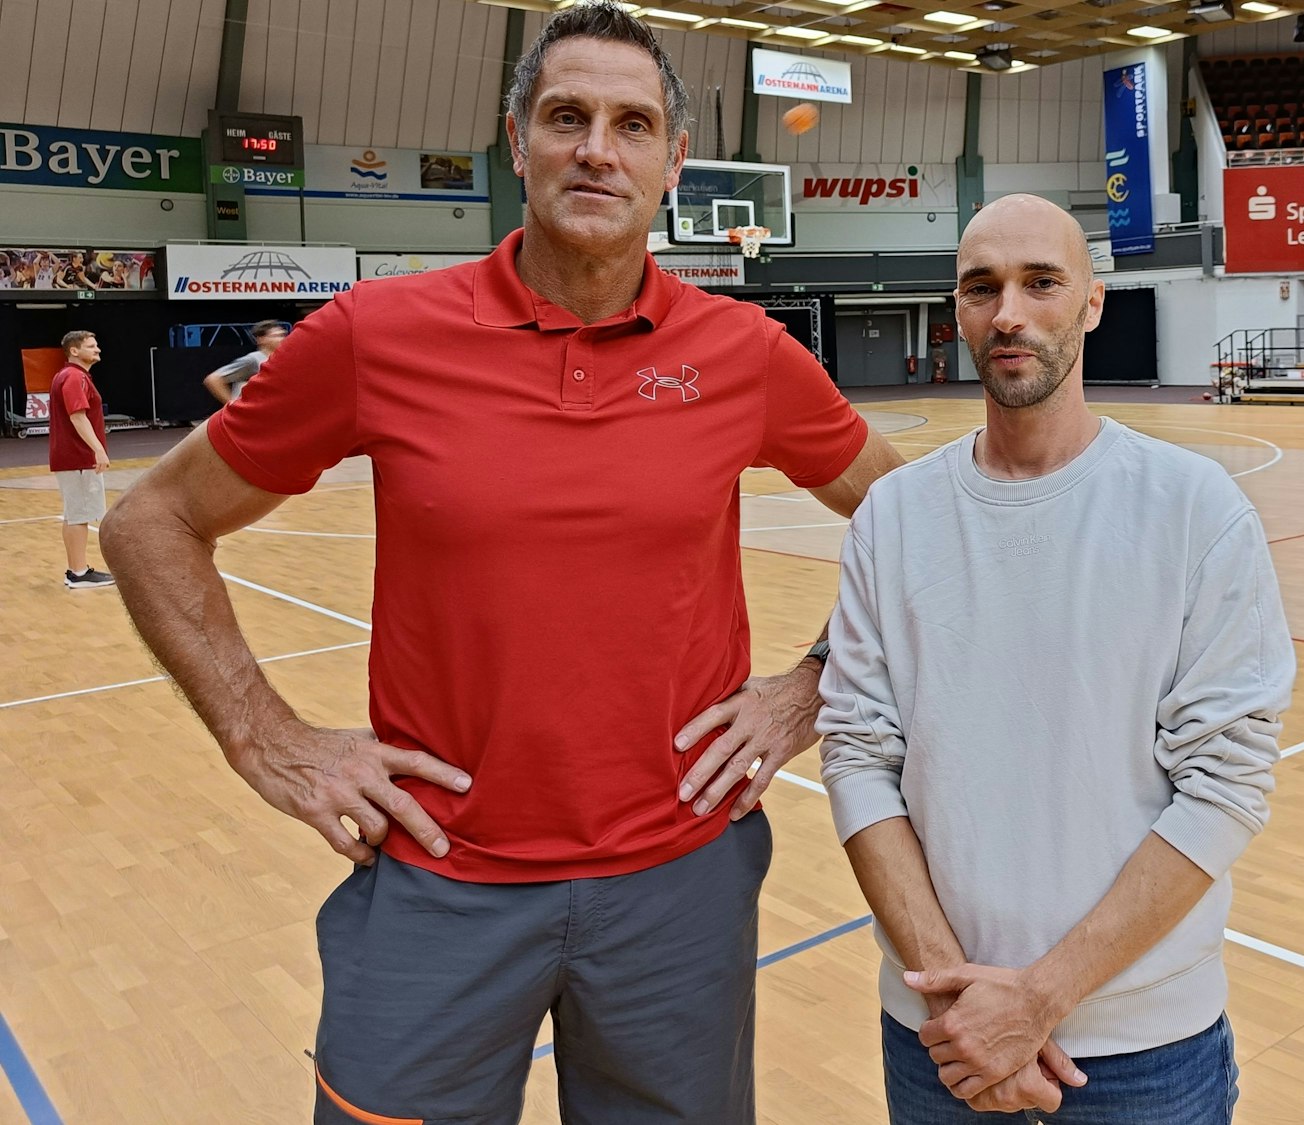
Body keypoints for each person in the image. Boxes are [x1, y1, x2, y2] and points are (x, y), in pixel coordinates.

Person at [99, 4, 901, 1122]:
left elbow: (919, 523)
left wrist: (808, 691)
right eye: (566, 116)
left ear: (674, 161)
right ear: (516, 140)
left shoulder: (743, 355)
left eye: (632, 124)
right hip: (437, 879)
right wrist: (264, 736)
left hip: (679, 881)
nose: (595, 147)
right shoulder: (376, 336)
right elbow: (150, 522)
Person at [817, 193, 1295, 1123]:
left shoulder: (1195, 509)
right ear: (956, 310)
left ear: (1092, 303)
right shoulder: (893, 516)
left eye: (1041, 283)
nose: (1009, 313)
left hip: (1144, 1052)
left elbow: (1226, 786)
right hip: (939, 1040)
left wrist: (1039, 997)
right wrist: (962, 1004)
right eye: (981, 288)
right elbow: (856, 756)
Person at [50, 329, 116, 589]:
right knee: (78, 515)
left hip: (71, 457)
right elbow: (78, 416)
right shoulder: (74, 377)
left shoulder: (68, 376)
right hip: (78, 457)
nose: (97, 349)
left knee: (73, 514)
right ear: (74, 351)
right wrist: (98, 449)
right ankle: (78, 573)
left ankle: (75, 570)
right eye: (91, 346)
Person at [202, 319, 288, 403]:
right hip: (254, 414)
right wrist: (232, 405)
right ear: (261, 339)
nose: (282, 339)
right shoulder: (254, 359)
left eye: (283, 335)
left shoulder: (282, 359)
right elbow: (213, 379)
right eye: (276, 336)